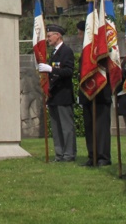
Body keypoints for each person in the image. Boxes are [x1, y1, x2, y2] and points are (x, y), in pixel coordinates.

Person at [37, 24, 76, 162]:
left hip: (63, 95)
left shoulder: (66, 51)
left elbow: (68, 71)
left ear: (58, 35)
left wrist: (51, 70)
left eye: (49, 36)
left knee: (66, 127)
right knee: (56, 128)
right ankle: (59, 153)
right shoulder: (53, 53)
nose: (47, 39)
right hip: (54, 95)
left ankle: (69, 154)